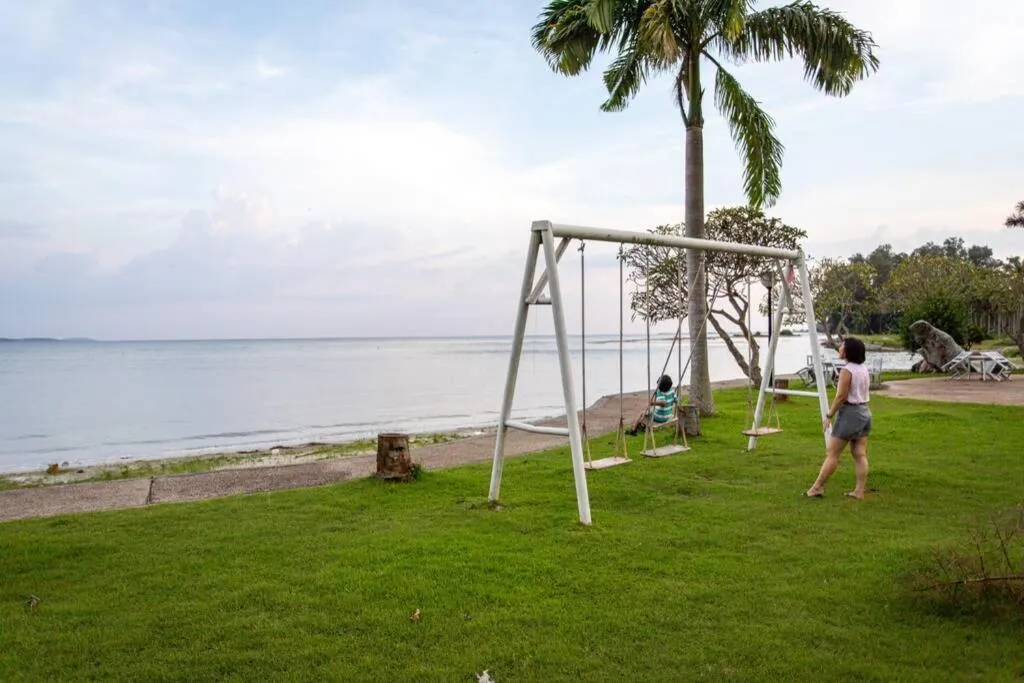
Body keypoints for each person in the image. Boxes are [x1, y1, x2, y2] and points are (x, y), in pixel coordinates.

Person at [805, 337, 872, 500]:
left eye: (842, 346)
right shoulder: (863, 368)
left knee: (832, 453)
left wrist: (829, 415)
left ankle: (817, 487)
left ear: (849, 350)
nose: (839, 348)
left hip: (850, 413)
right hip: (864, 412)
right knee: (860, 454)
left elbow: (841, 396)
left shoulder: (847, 370)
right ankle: (859, 491)